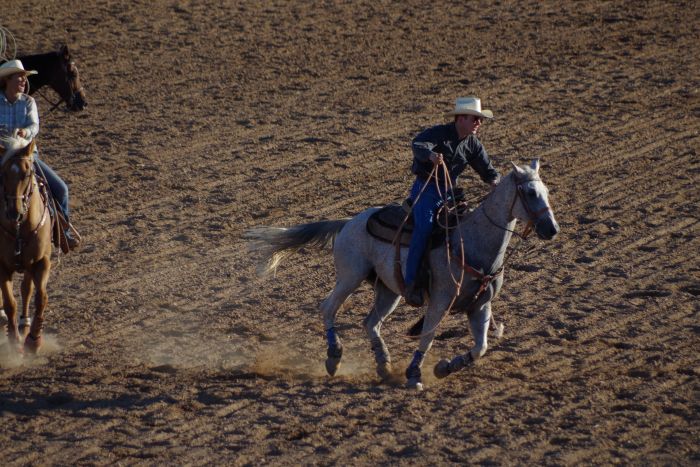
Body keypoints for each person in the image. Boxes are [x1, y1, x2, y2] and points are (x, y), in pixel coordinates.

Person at [404, 96, 500, 307]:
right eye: (474, 119)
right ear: (460, 119)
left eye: (480, 119)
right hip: (426, 189)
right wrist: (429, 156)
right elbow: (417, 144)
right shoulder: (438, 134)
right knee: (425, 228)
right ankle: (410, 283)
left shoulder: (472, 144)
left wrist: (494, 181)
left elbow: (487, 168)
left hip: (449, 192)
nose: (479, 123)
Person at [0, 59, 79, 250]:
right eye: (19, 77)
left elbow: (34, 126)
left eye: (24, 77)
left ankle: (62, 233)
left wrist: (25, 133)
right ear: (7, 80)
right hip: (2, 156)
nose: (23, 81)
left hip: (27, 157)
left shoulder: (29, 102)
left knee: (61, 190)